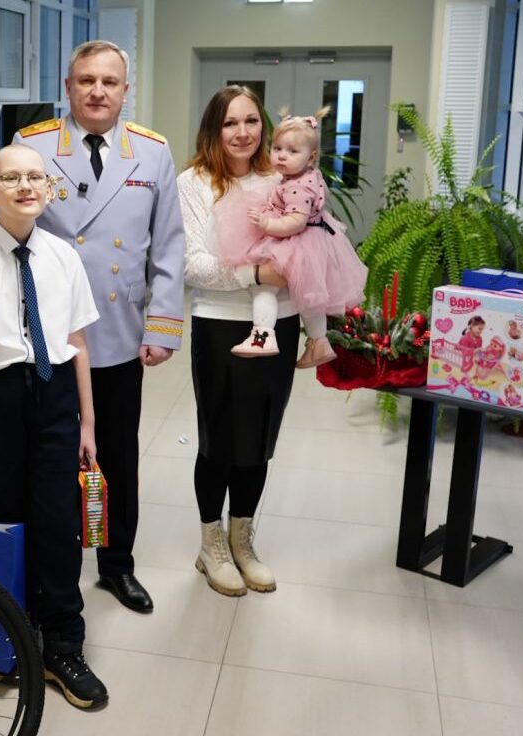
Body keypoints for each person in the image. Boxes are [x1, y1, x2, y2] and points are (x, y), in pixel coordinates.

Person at [13, 40, 185, 614]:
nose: (97, 92)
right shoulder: (33, 145)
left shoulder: (152, 152)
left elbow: (168, 245)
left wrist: (162, 327)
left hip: (116, 330)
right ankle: (49, 569)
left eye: (109, 82)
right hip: (46, 333)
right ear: (68, 87)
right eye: (86, 80)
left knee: (117, 454)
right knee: (50, 456)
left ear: (125, 91)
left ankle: (117, 565)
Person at [0, 143, 107, 709]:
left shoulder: (63, 257)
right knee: (7, 519)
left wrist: (87, 423)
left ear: (49, 188)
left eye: (36, 176)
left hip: (55, 394)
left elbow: (78, 343)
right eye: (10, 178)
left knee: (58, 522)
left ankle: (62, 643)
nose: (26, 186)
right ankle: (12, 631)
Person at [176, 85, 296, 597]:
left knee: (259, 441)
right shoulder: (194, 182)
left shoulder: (282, 177)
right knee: (220, 440)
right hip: (221, 324)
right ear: (213, 129)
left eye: (251, 121)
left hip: (280, 322)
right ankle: (212, 546)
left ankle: (241, 541)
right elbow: (192, 264)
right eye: (230, 123)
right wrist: (257, 273)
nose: (242, 132)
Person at [214, 107, 367, 366]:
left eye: (292, 151)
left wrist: (267, 223)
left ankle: (262, 335)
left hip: (297, 241)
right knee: (310, 297)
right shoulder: (307, 176)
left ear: (311, 157)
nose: (282, 156)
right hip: (315, 241)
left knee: (264, 286)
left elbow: (296, 222)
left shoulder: (297, 187)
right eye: (277, 149)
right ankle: (319, 342)